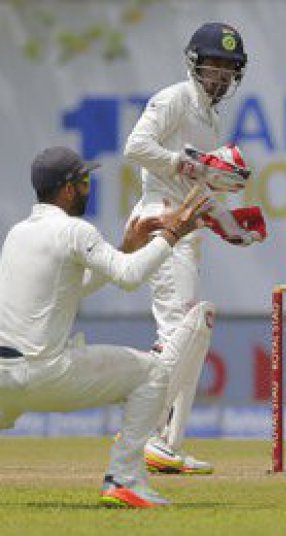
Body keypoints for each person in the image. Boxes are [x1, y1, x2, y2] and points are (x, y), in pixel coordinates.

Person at [0, 146, 211, 507]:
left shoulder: (18, 233)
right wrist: (170, 236)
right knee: (153, 373)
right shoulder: (75, 230)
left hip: (4, 378)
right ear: (67, 189)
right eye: (84, 181)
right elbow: (129, 278)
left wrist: (126, 248)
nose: (88, 187)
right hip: (44, 375)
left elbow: (74, 287)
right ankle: (123, 479)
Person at [124, 21, 265, 475]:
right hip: (160, 219)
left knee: (190, 334)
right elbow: (135, 146)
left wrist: (231, 226)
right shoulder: (174, 99)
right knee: (180, 330)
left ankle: (167, 443)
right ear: (194, 63)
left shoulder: (212, 116)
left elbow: (203, 186)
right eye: (214, 65)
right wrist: (185, 165)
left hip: (188, 226)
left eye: (229, 68)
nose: (221, 75)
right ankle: (143, 435)